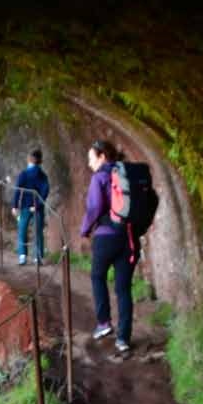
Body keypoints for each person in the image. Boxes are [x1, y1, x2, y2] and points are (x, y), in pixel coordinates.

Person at [79, 140, 134, 353]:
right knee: (123, 289)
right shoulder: (125, 174)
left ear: (102, 156)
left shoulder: (100, 177)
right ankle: (123, 339)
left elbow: (94, 207)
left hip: (106, 236)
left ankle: (104, 323)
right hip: (127, 238)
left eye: (91, 158)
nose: (89, 163)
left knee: (97, 276)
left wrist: (84, 229)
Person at [12, 149, 50, 265]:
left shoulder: (24, 174)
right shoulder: (43, 176)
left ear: (29, 159)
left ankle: (22, 256)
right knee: (38, 232)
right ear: (40, 161)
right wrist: (37, 205)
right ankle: (37, 257)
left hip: (25, 206)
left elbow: (18, 190)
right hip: (38, 208)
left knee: (22, 230)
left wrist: (14, 206)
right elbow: (45, 191)